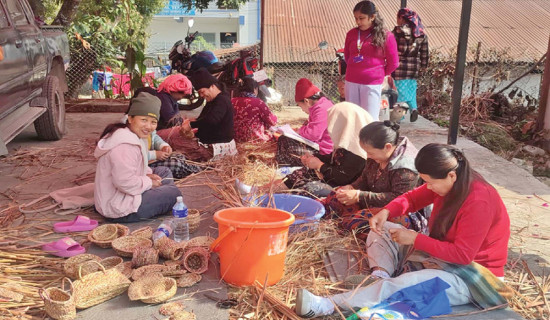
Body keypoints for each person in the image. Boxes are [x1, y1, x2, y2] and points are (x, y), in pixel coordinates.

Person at [295, 143, 512, 318]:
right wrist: (386, 212)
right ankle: (380, 275)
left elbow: (463, 256)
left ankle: (327, 305)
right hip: (443, 259)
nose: (428, 188)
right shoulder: (448, 182)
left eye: (430, 182)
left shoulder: (478, 201)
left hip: (473, 276)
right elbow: (412, 197)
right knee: (381, 230)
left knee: (401, 286)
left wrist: (415, 239)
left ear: (451, 176)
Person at [239, 102, 372, 198]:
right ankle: (257, 190)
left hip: (343, 191)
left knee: (306, 188)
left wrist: (319, 165)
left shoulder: (359, 151)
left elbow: (342, 178)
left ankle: (261, 195)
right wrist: (314, 158)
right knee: (301, 173)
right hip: (330, 179)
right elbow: (333, 159)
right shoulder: (347, 142)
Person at [324, 121, 426, 236]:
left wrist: (359, 196)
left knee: (358, 222)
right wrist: (352, 187)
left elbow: (400, 199)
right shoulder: (378, 154)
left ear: (387, 147)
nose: (368, 156)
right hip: (372, 201)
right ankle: (340, 221)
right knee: (336, 195)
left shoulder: (406, 168)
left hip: (399, 212)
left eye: (370, 153)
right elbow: (365, 178)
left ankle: (345, 223)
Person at [94, 93, 182, 223]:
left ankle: (158, 196)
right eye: (144, 120)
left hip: (124, 192)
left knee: (164, 172)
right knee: (175, 194)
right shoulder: (125, 144)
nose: (148, 126)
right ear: (130, 118)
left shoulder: (131, 133)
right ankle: (159, 196)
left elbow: (136, 167)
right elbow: (124, 183)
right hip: (119, 209)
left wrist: (147, 175)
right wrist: (149, 182)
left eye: (153, 122)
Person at [158, 68, 236, 162]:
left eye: (202, 92)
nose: (202, 96)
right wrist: (192, 122)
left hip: (213, 148)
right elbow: (204, 119)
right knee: (171, 137)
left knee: (173, 141)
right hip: (207, 142)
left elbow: (211, 120)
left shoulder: (221, 100)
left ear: (212, 86)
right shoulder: (215, 100)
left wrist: (191, 125)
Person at [344, 0, 399, 120]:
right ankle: (353, 139)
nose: (358, 22)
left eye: (361, 18)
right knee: (352, 118)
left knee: (369, 118)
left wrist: (378, 73)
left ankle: (369, 139)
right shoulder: (352, 34)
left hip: (372, 83)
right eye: (356, 18)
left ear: (372, 17)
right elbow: (347, 56)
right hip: (351, 80)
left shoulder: (386, 35)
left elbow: (394, 62)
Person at [275, 78, 333, 167]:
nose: (301, 109)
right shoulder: (320, 105)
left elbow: (313, 134)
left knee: (287, 145)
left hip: (325, 151)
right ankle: (282, 163)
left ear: (306, 101)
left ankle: (286, 166)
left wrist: (298, 132)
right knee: (284, 139)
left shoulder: (321, 109)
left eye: (300, 106)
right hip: (319, 145)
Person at [392, 8, 429, 122]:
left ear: (401, 18)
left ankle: (399, 117)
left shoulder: (396, 33)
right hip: (413, 69)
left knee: (399, 94)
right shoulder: (421, 34)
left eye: (398, 17)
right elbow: (424, 54)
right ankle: (413, 108)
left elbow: (391, 50)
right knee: (411, 90)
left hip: (399, 68)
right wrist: (423, 66)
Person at [231, 77, 278, 143]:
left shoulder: (232, 101)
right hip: (255, 139)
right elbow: (273, 121)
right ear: (254, 89)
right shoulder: (258, 103)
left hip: (235, 139)